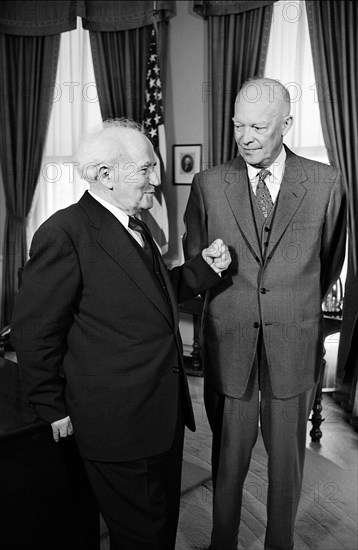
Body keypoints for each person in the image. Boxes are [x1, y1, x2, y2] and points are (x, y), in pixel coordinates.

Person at [11, 119, 231, 550]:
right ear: (105, 176)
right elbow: (34, 331)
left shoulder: (134, 221)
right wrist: (51, 407)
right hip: (115, 425)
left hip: (159, 416)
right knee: (142, 538)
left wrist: (205, 268)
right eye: (146, 169)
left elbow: (151, 296)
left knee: (159, 528)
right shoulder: (64, 232)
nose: (157, 180)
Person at [183, 78, 347, 550]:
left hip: (293, 341)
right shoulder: (209, 183)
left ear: (287, 124)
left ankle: (280, 542)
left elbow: (329, 261)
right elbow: (198, 261)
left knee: (286, 459)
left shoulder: (326, 181)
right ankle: (222, 542)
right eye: (238, 125)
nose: (246, 137)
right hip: (229, 341)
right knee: (228, 458)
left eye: (258, 126)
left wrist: (290, 302)